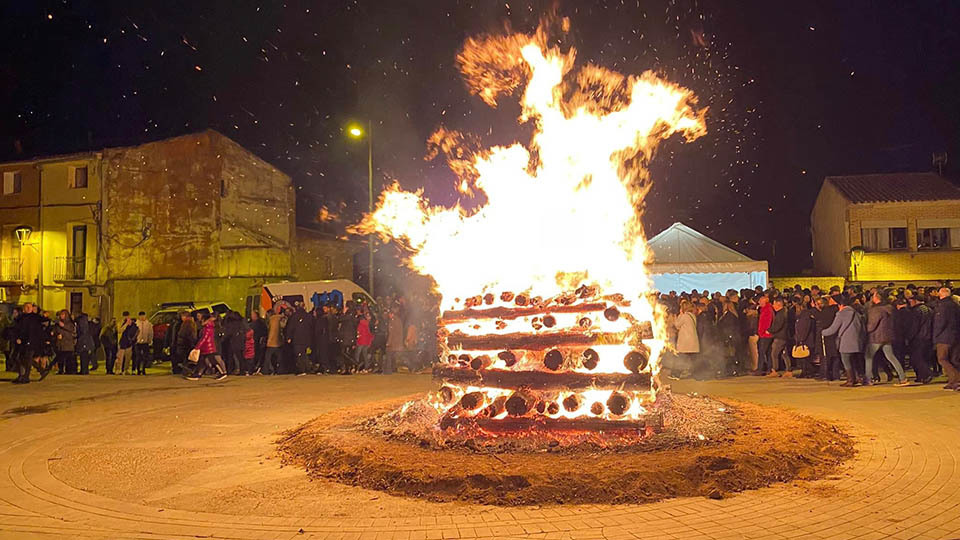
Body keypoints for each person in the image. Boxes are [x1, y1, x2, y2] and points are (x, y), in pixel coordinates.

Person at [865, 292, 911, 386]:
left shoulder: (876, 310)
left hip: (876, 337)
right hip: (888, 336)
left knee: (868, 357)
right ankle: (903, 378)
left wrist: (866, 330)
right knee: (891, 357)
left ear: (877, 298)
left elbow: (871, 325)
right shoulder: (890, 309)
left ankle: (869, 379)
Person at [822, 296, 865, 387]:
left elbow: (833, 329)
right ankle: (858, 377)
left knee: (846, 360)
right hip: (857, 340)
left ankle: (850, 380)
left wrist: (823, 332)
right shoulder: (856, 313)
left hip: (846, 341)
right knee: (854, 360)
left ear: (840, 305)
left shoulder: (841, 314)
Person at [932, 286, 960, 390]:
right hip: (956, 336)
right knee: (954, 360)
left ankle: (956, 379)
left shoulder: (942, 306)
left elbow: (940, 323)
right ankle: (953, 381)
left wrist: (935, 336)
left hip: (944, 337)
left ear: (941, 294)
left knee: (942, 358)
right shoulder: (955, 305)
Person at [185, 313, 227, 381]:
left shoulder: (208, 327)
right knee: (204, 361)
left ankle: (222, 373)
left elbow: (204, 338)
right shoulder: (208, 326)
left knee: (212, 360)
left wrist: (197, 347)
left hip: (208, 347)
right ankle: (198, 374)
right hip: (207, 347)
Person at [12, 303, 45, 384]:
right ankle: (41, 370)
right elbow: (20, 329)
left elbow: (35, 330)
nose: (28, 308)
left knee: (28, 359)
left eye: (29, 307)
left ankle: (26, 376)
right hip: (23, 341)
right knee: (21, 358)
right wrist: (19, 338)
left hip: (32, 341)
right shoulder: (22, 317)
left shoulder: (35, 317)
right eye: (26, 307)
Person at [905, 295, 934, 384]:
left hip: (918, 338)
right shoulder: (929, 310)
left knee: (916, 358)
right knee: (924, 357)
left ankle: (926, 374)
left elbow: (914, 326)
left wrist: (909, 337)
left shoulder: (916, 311)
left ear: (916, 301)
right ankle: (921, 376)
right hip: (928, 337)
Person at [813, 297, 840, 380]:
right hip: (834, 336)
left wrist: (815, 310)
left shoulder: (826, 311)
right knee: (835, 356)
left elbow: (820, 319)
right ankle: (835, 375)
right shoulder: (836, 311)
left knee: (825, 356)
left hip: (826, 336)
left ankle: (825, 374)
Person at [766, 297, 791, 377]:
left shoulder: (781, 314)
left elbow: (778, 325)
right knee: (784, 354)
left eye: (774, 304)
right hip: (784, 336)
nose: (773, 306)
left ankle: (774, 370)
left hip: (780, 337)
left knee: (774, 353)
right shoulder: (784, 312)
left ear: (778, 304)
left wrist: (770, 330)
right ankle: (788, 370)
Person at [674, 300, 699, 377]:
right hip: (692, 340)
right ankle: (691, 372)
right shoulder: (692, 315)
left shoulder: (684, 316)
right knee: (690, 358)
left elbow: (677, 325)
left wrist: (677, 316)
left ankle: (679, 373)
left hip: (686, 341)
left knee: (681, 357)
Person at [286, 305, 313, 375]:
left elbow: (290, 328)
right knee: (305, 354)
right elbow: (311, 327)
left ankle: (302, 369)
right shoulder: (308, 316)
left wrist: (289, 337)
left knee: (299, 354)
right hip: (307, 340)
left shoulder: (294, 317)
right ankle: (308, 368)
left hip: (297, 339)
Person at [794, 300, 819, 378]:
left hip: (806, 340)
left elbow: (804, 329)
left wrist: (801, 339)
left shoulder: (805, 316)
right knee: (804, 358)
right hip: (806, 339)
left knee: (806, 358)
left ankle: (808, 372)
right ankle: (805, 372)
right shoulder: (803, 316)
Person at [54, 310, 78, 375]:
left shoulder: (70, 323)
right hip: (60, 343)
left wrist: (63, 326)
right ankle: (60, 370)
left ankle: (69, 370)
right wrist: (56, 334)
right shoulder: (57, 324)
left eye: (63, 314)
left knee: (68, 358)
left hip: (68, 344)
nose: (61, 316)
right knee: (60, 358)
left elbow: (71, 330)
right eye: (61, 315)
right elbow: (55, 330)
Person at [174, 311, 197, 375]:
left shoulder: (187, 323)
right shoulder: (191, 323)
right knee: (186, 358)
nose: (181, 318)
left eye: (182, 316)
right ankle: (186, 371)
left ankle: (187, 371)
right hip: (186, 343)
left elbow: (187, 334)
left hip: (185, 343)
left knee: (185, 358)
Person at [756, 295, 774, 374]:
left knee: (762, 352)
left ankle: (760, 369)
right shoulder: (765, 309)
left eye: (760, 301)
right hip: (766, 334)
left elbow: (767, 322)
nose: (758, 302)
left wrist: (764, 332)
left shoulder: (767, 310)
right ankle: (769, 369)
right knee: (768, 352)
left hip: (765, 335)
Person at [264, 307, 284, 375]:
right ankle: (280, 370)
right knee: (279, 358)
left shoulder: (272, 320)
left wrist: (268, 340)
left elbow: (271, 332)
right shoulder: (279, 318)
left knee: (267, 358)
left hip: (272, 342)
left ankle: (268, 370)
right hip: (279, 342)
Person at [134, 311, 153, 375]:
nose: (142, 317)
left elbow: (150, 333)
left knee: (145, 357)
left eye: (143, 316)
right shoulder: (136, 324)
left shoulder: (148, 324)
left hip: (145, 342)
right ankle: (138, 369)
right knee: (138, 356)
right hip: (138, 342)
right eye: (141, 316)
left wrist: (150, 340)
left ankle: (143, 369)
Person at [249, 310, 268, 375]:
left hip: (256, 342)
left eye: (252, 315)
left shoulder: (255, 324)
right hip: (258, 341)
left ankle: (254, 368)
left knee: (255, 355)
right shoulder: (261, 323)